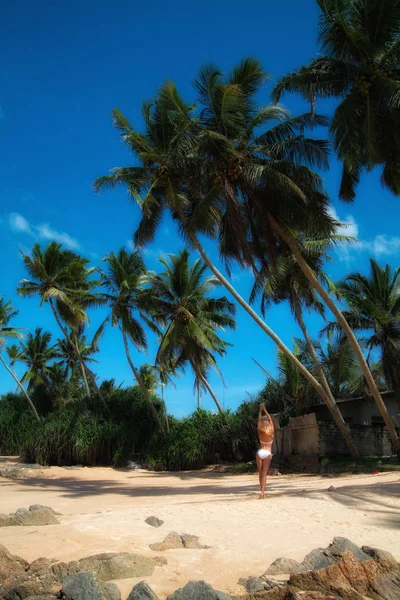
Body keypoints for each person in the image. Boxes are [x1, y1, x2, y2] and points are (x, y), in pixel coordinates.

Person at [256, 403, 274, 499]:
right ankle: (263, 492)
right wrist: (265, 409)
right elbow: (270, 419)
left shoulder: (260, 431)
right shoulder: (271, 432)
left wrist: (260, 410)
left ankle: (261, 491)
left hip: (260, 453)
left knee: (260, 474)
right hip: (267, 453)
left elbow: (259, 420)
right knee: (264, 474)